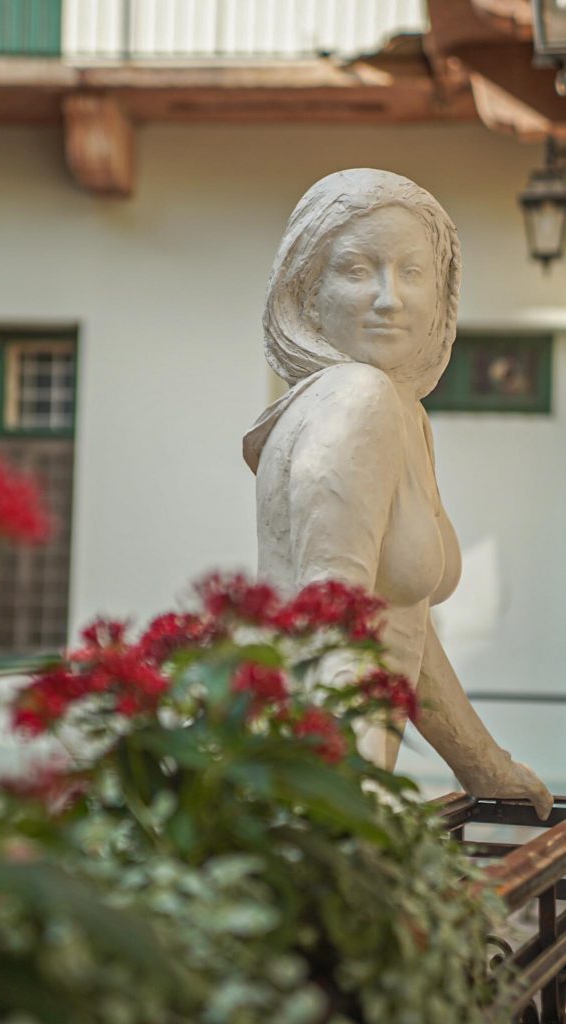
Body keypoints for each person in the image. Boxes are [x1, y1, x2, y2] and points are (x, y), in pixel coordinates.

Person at [243, 168, 552, 819]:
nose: (390, 299)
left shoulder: (401, 413)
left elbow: (402, 626)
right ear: (307, 290)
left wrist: (483, 765)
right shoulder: (356, 399)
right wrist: (349, 811)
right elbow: (332, 625)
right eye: (358, 270)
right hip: (313, 792)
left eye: (412, 272)